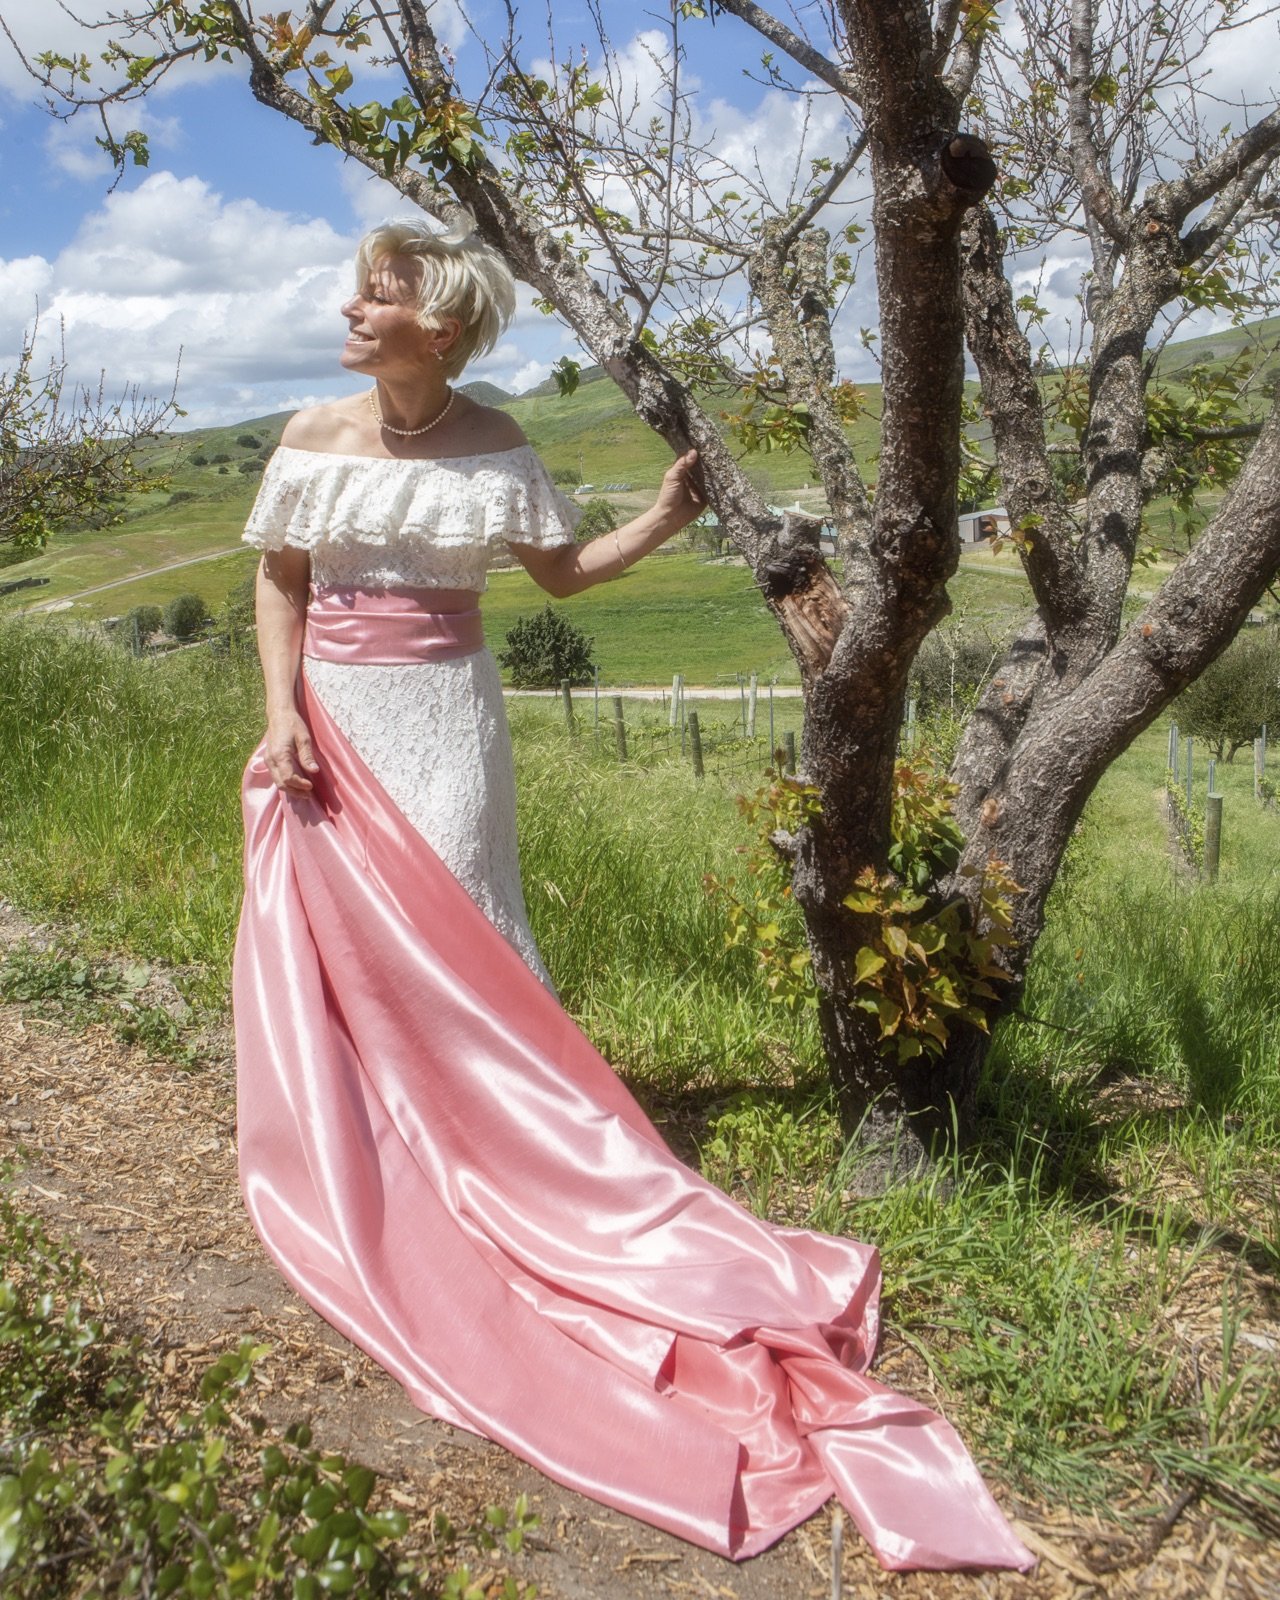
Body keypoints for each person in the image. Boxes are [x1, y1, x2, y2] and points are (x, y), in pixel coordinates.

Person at [233, 216, 1032, 1574]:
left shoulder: (496, 442)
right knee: (351, 942)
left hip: (444, 718)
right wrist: (279, 715)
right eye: (361, 295)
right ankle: (380, 1144)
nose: (358, 311)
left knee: (467, 936)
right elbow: (276, 581)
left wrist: (662, 516)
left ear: (444, 328)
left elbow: (558, 574)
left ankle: (509, 1153)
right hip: (335, 715)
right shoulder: (309, 430)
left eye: (385, 298)